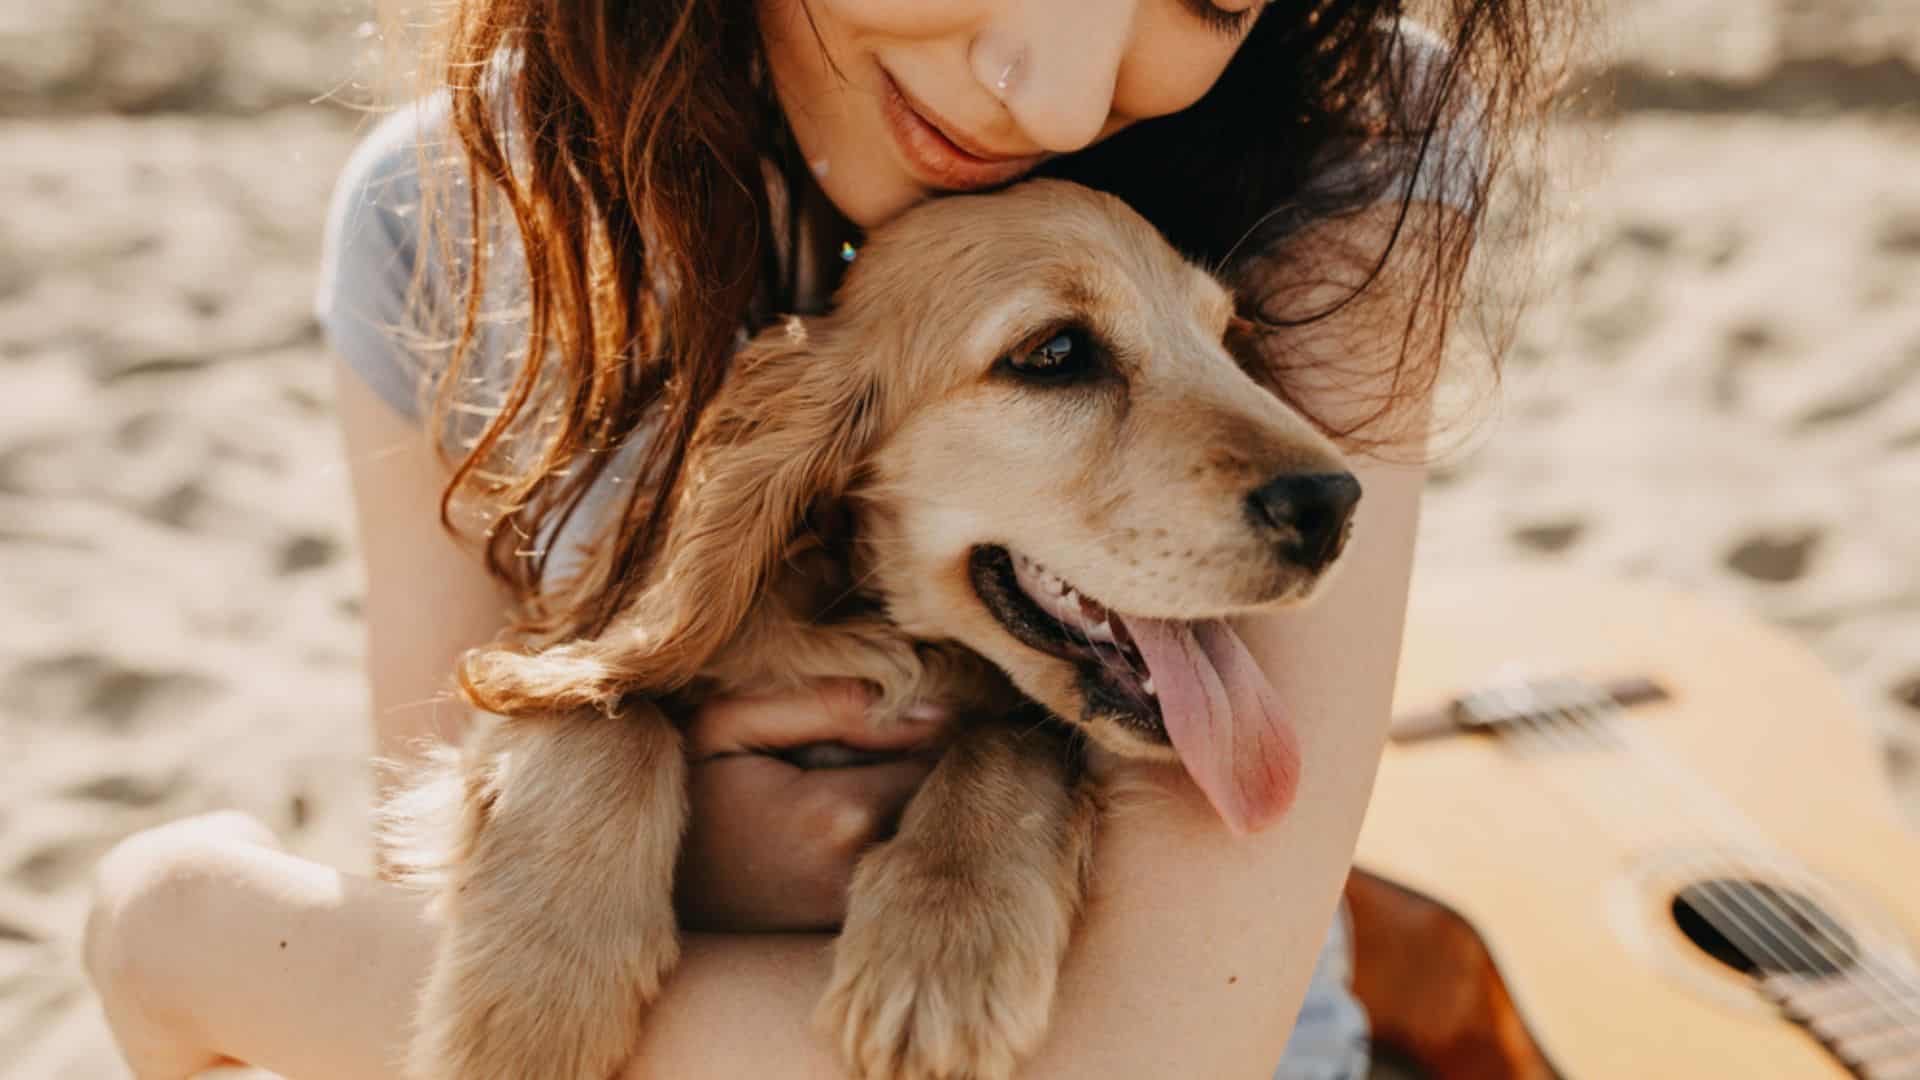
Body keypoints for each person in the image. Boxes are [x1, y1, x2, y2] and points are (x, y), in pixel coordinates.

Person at [83, 0, 1573, 1076]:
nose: (1052, 101)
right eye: (1060, 361)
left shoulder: (1350, 143)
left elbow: (1159, 1055)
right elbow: (451, 879)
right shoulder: (445, 214)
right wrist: (615, 753)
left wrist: (187, 933)